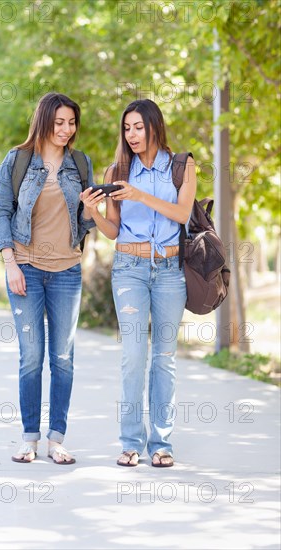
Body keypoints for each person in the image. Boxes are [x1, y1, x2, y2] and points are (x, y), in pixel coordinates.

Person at [81, 99, 196, 467]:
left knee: (164, 357)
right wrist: (93, 212)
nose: (131, 135)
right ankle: (130, 441)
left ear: (154, 126)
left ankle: (161, 444)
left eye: (138, 127)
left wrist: (139, 195)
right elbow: (114, 232)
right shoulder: (118, 169)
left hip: (169, 270)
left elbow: (181, 213)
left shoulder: (182, 165)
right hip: (129, 267)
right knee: (133, 356)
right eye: (126, 128)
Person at [0, 92, 97, 464]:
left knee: (64, 357)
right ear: (44, 122)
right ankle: (29, 438)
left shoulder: (81, 164)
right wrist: (10, 263)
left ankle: (57, 440)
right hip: (26, 269)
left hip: (67, 270)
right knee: (31, 357)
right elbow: (2, 212)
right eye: (59, 123)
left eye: (71, 123)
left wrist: (91, 210)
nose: (67, 129)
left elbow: (85, 224)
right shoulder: (17, 161)